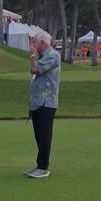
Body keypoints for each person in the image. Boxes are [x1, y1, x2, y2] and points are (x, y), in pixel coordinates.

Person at [26, 32, 60, 179]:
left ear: (42, 43)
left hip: (47, 102)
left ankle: (43, 167)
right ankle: (39, 165)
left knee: (45, 134)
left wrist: (33, 56)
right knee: (38, 134)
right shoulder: (41, 56)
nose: (32, 46)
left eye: (34, 43)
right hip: (37, 102)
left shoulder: (53, 55)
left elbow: (35, 70)